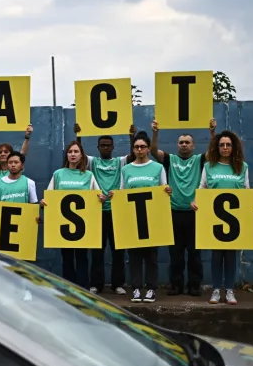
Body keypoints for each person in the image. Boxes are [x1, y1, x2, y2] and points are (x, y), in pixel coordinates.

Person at [149, 117, 217, 297]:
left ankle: (194, 286)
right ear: (177, 145)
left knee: (195, 254)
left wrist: (212, 133)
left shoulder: (199, 160)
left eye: (187, 142)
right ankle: (176, 285)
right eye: (181, 142)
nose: (184, 145)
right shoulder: (170, 159)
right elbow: (153, 151)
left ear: (193, 146)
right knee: (175, 254)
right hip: (174, 212)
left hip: (195, 213)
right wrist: (155, 133)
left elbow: (213, 151)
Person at [191, 131, 253, 305]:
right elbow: (202, 188)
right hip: (214, 218)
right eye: (222, 145)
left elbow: (246, 190)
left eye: (228, 145)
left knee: (230, 255)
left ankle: (229, 290)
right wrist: (195, 202)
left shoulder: (242, 167)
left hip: (234, 219)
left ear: (233, 147)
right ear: (217, 147)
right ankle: (216, 290)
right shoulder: (209, 166)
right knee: (216, 255)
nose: (225, 148)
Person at [107, 132, 172, 303]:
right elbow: (122, 190)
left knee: (151, 256)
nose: (140, 149)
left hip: (152, 219)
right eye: (136, 147)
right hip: (132, 219)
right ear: (133, 149)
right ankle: (136, 288)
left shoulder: (158, 167)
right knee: (134, 256)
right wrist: (115, 195)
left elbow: (163, 188)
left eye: (143, 146)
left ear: (148, 149)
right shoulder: (126, 169)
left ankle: (151, 288)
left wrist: (167, 190)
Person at [74, 122, 137, 295]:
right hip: (98, 212)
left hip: (117, 211)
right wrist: (79, 136)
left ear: (113, 147)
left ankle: (118, 284)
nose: (106, 147)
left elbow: (133, 155)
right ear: (98, 147)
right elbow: (80, 155)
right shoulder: (93, 162)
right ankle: (97, 284)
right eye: (102, 145)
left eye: (108, 145)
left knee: (118, 251)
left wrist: (132, 136)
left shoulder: (120, 162)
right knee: (97, 251)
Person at [39, 141, 103, 289]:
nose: (73, 154)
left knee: (82, 257)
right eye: (70, 152)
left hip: (83, 225)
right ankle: (69, 289)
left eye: (76, 151)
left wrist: (100, 198)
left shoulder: (88, 175)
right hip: (63, 225)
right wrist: (43, 202)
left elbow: (97, 195)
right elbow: (49, 196)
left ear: (81, 155)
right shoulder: (58, 174)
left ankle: (83, 288)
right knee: (66, 257)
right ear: (66, 155)